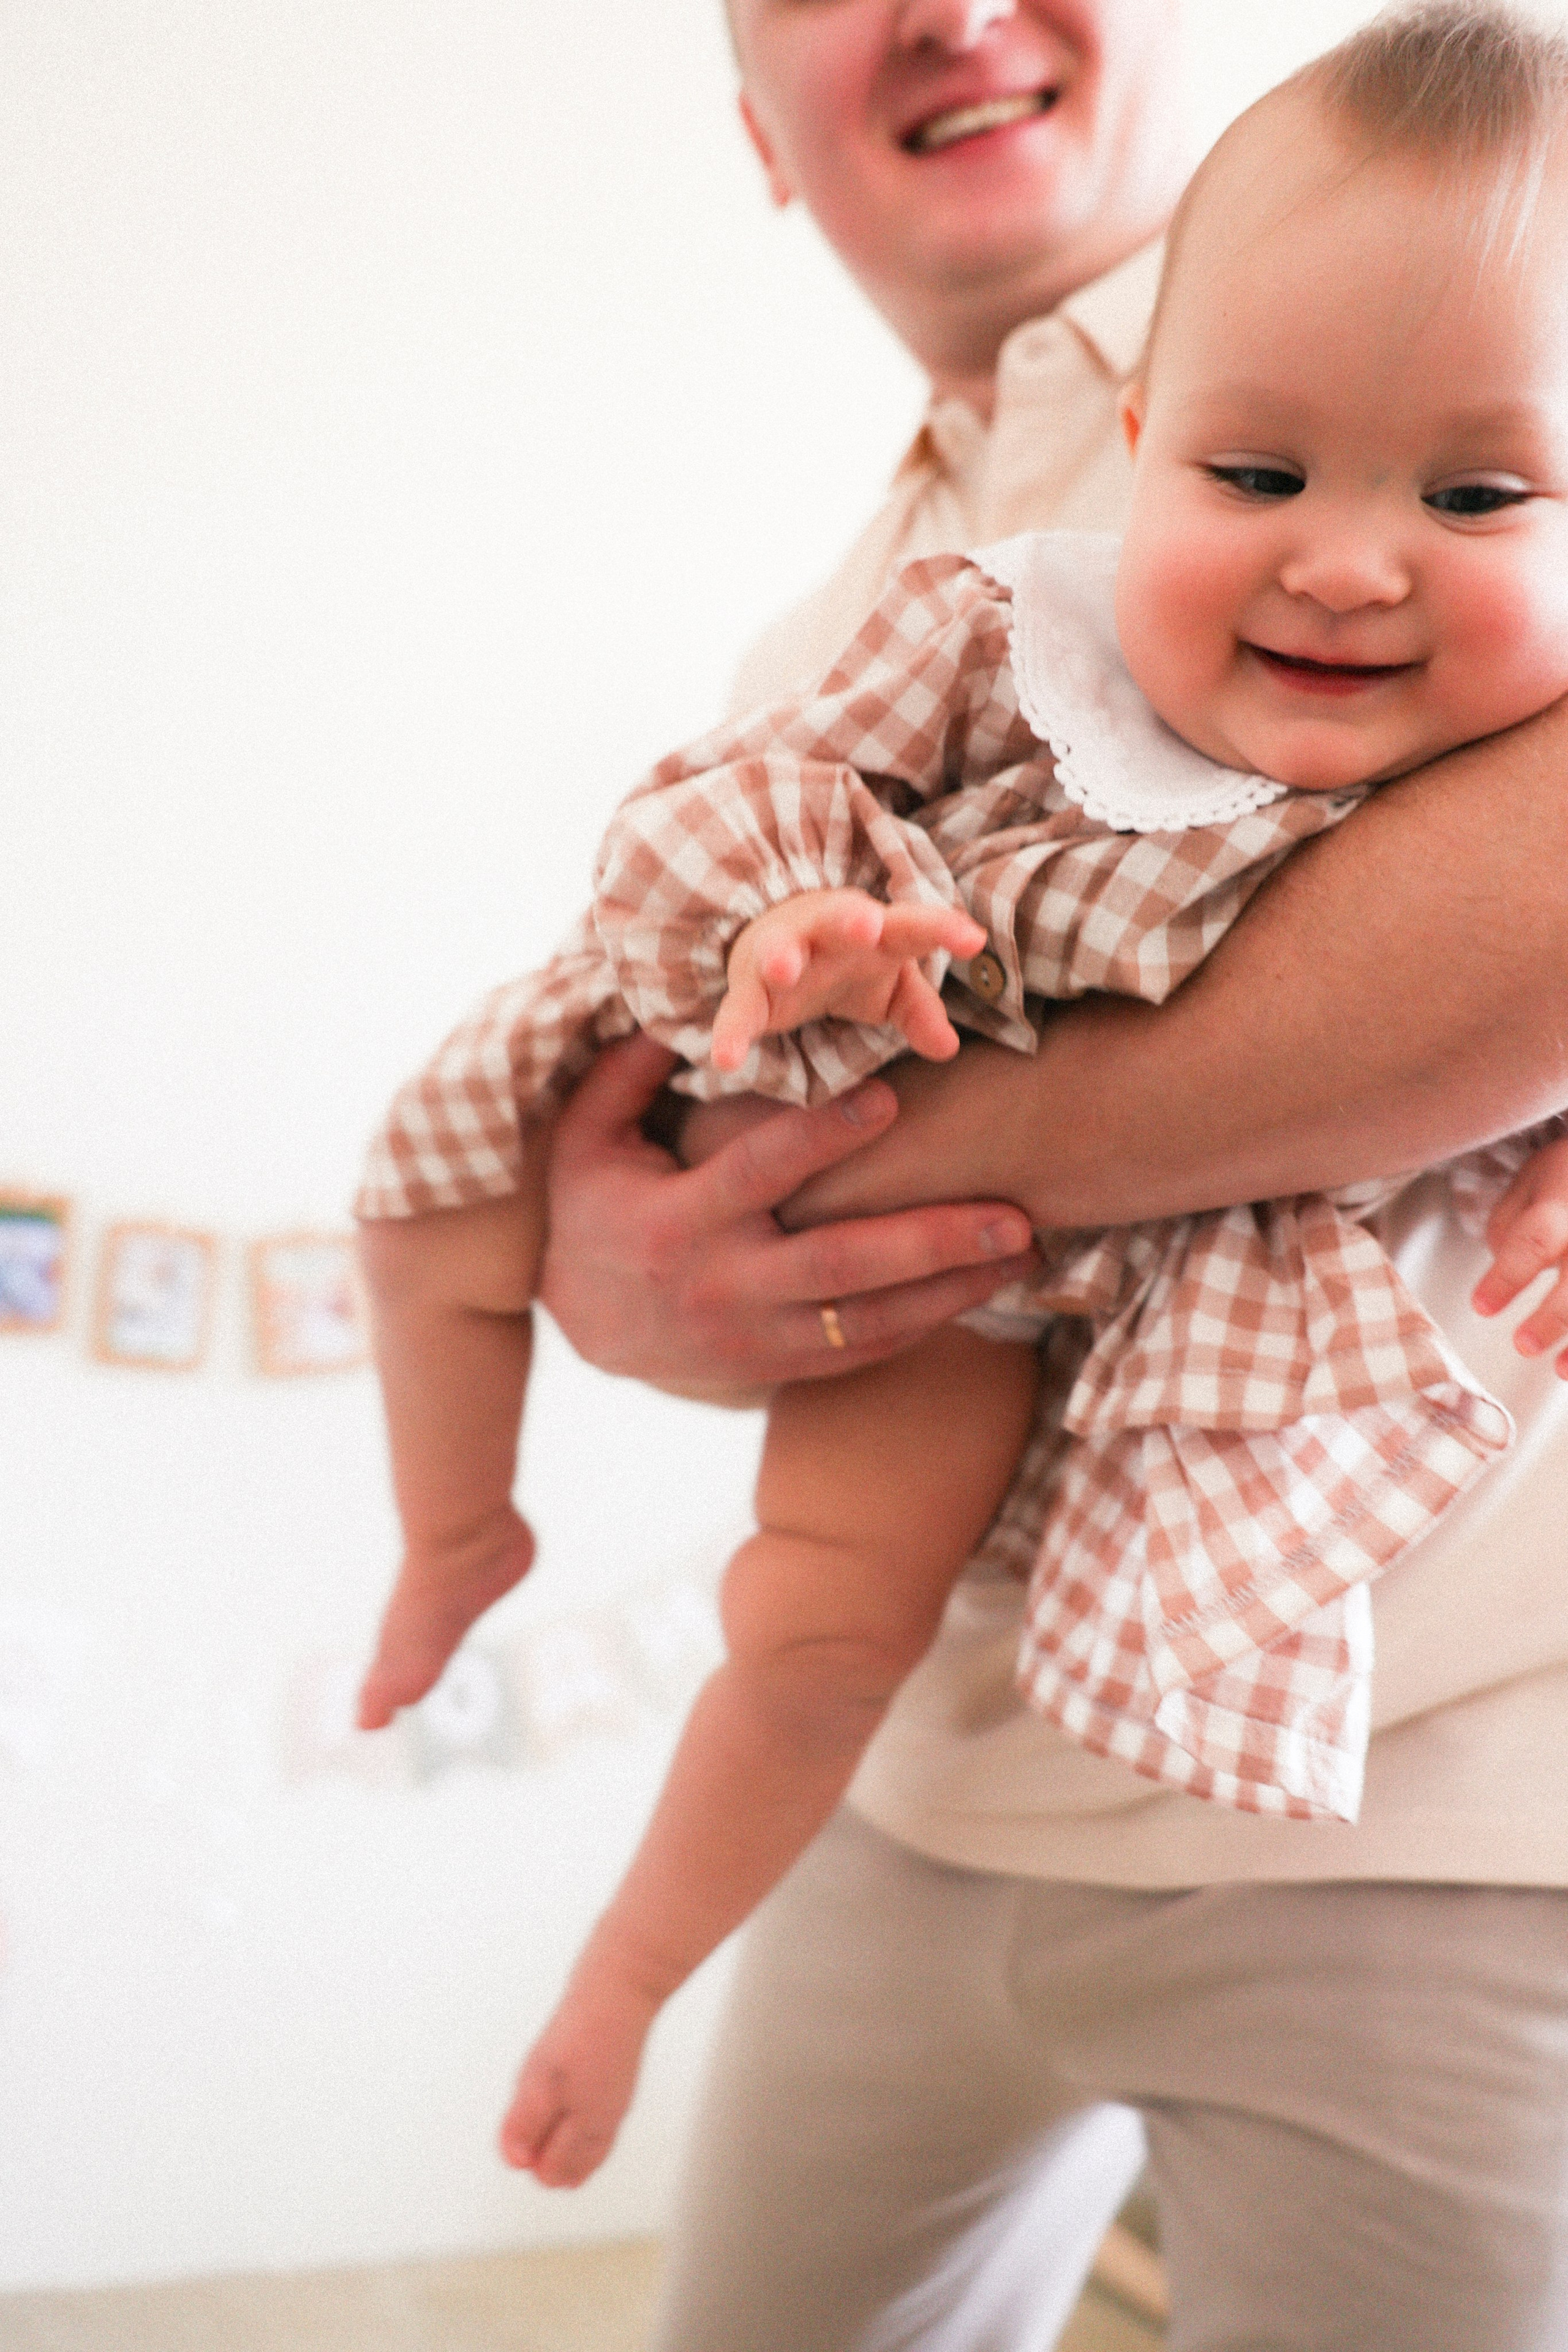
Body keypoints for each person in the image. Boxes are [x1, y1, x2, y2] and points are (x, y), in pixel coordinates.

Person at [385, 3, 1568, 2343]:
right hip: (908, 1786)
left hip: (1421, 1830)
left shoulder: (1464, 299)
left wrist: (901, 1160)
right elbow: (682, 1107)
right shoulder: (848, 621)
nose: (1345, 553)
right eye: (1247, 475)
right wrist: (641, 1280)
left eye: (1458, 495)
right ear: (756, 133)